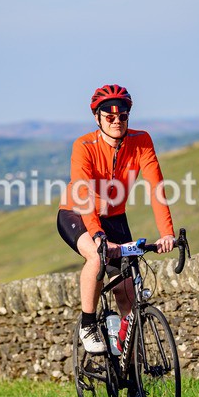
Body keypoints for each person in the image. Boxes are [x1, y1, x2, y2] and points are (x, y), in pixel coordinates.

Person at [57, 83, 175, 357]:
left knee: (128, 296)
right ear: (97, 118)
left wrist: (166, 232)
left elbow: (156, 188)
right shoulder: (84, 146)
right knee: (97, 258)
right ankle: (88, 325)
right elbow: (84, 194)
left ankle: (133, 377)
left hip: (115, 218)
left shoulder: (141, 141)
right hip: (77, 213)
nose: (117, 121)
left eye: (122, 116)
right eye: (109, 117)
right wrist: (98, 235)